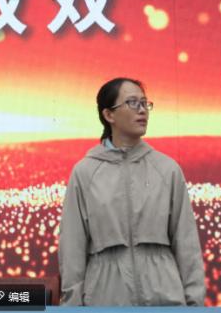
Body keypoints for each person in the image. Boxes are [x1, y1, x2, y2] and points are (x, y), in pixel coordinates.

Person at [57, 77, 205, 307]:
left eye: (145, 103)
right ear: (109, 115)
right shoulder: (85, 172)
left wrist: (194, 304)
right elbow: (72, 248)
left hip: (165, 300)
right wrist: (73, 307)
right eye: (133, 103)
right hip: (105, 301)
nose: (142, 110)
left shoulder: (167, 169)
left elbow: (187, 243)